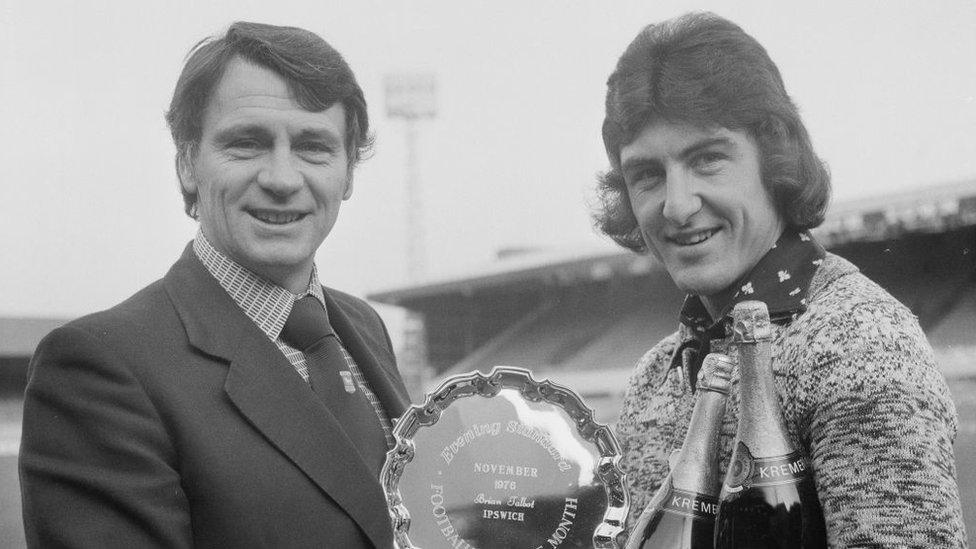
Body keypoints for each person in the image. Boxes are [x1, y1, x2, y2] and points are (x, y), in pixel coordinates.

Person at [19, 22, 410, 548]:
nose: (282, 178)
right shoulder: (100, 368)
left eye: (314, 147)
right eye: (246, 144)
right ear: (187, 164)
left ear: (348, 174)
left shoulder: (364, 327)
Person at [594, 12, 967, 547]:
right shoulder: (655, 376)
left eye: (707, 160)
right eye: (647, 175)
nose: (676, 206)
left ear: (775, 158)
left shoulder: (859, 344)